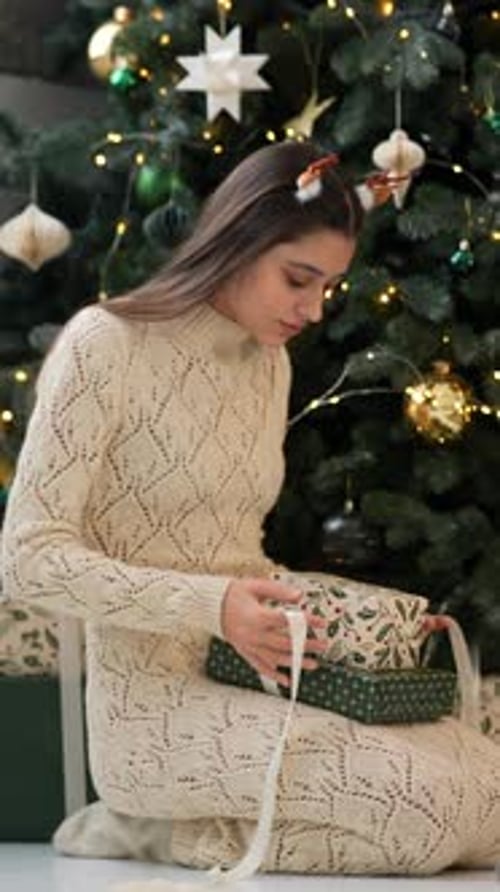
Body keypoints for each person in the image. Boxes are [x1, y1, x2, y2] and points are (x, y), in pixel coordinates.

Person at [2, 140, 500, 877]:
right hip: (153, 718)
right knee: (422, 814)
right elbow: (26, 560)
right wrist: (215, 607)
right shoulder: (105, 345)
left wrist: (357, 622)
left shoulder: (267, 363)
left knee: (487, 786)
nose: (313, 308)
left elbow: (241, 558)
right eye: (299, 279)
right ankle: (149, 828)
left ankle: (210, 817)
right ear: (239, 241)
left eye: (328, 286)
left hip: (253, 680)